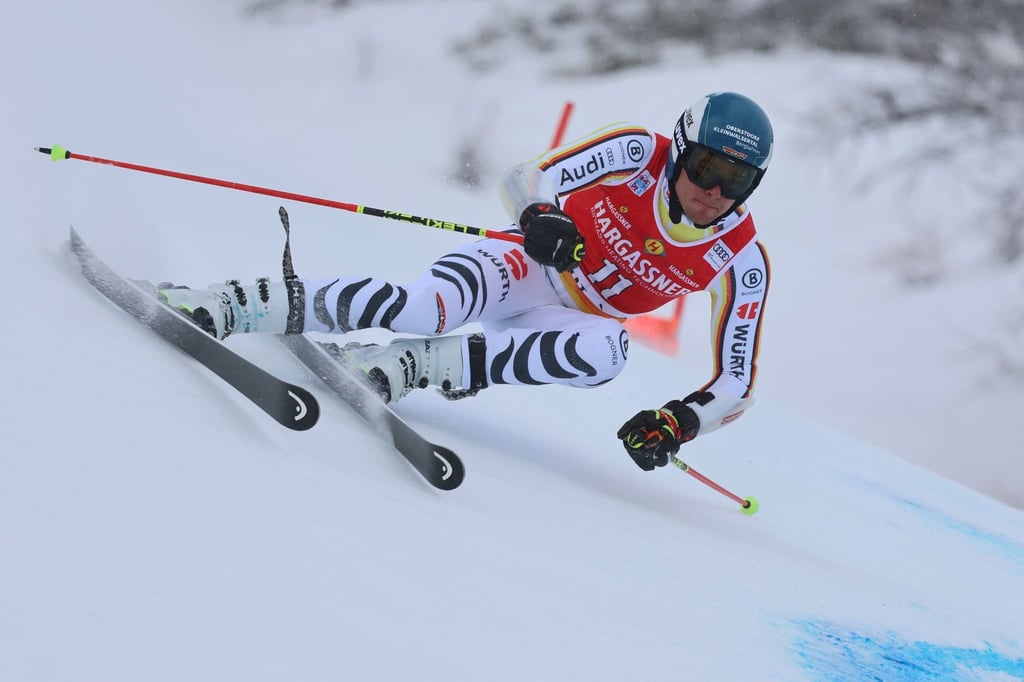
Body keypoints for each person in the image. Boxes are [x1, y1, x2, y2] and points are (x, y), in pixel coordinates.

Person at [161, 91, 774, 472]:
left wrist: (678, 422)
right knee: (426, 309)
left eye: (738, 180)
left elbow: (738, 381)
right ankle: (233, 303)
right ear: (681, 152)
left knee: (607, 352)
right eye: (706, 166)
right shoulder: (637, 150)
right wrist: (539, 216)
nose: (715, 192)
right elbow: (525, 175)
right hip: (530, 266)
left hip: (571, 319)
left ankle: (408, 367)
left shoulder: (741, 258)